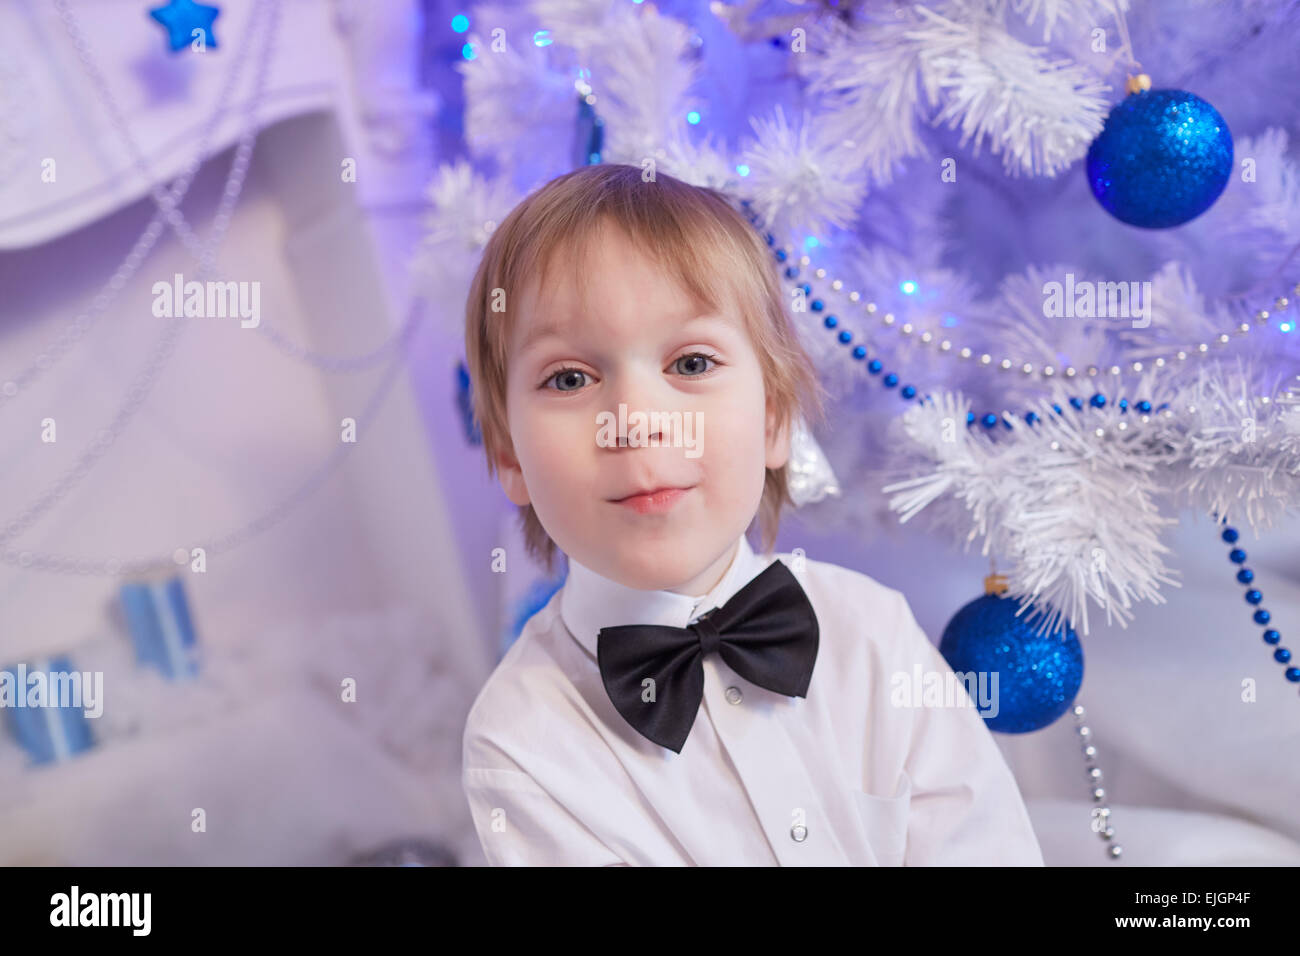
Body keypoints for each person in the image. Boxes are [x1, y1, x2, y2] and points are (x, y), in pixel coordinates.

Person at [460, 163, 1044, 866]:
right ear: (510, 458)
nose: (639, 422)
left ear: (774, 418)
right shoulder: (521, 741)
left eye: (693, 363)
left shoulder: (872, 634)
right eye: (570, 378)